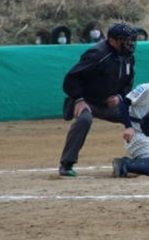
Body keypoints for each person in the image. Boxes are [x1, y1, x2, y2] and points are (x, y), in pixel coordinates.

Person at [57, 22, 138, 177]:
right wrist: (79, 100)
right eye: (124, 40)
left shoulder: (128, 57)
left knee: (138, 116)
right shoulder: (97, 55)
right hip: (87, 101)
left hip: (110, 104)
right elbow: (71, 78)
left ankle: (146, 158)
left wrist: (119, 96)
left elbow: (128, 82)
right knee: (84, 120)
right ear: (112, 41)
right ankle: (66, 164)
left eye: (130, 40)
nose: (129, 44)